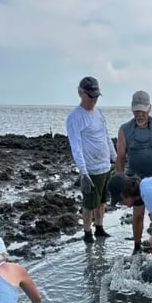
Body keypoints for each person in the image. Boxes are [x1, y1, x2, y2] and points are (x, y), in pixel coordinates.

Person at [115, 91, 152, 253]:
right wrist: (120, 181)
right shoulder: (124, 129)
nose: (139, 114)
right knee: (138, 213)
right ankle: (137, 246)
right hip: (135, 179)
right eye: (136, 111)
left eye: (142, 110)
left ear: (149, 108)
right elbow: (120, 157)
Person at [66, 76, 116, 244]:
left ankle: (99, 227)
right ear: (81, 93)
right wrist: (83, 172)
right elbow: (76, 146)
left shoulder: (99, 113)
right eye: (91, 96)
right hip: (91, 169)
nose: (94, 100)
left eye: (96, 96)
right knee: (89, 203)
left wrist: (114, 157)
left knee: (102, 201)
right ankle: (87, 233)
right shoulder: (75, 117)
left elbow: (106, 137)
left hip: (105, 166)